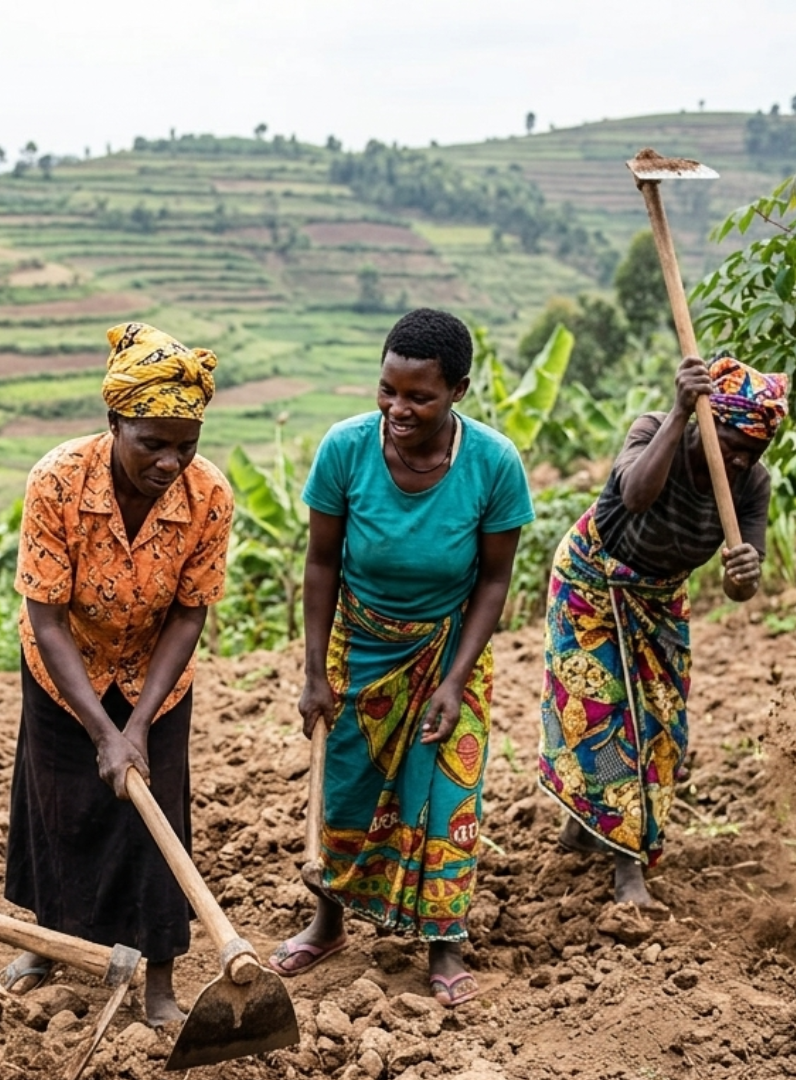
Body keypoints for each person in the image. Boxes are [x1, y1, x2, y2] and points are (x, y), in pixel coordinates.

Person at [270, 308, 533, 1009]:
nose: (398, 408)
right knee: (347, 788)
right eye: (388, 389)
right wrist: (315, 673)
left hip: (450, 648)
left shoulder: (493, 464)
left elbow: (494, 581)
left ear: (459, 392)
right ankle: (328, 923)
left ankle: (444, 943)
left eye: (420, 396)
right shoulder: (346, 449)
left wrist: (455, 680)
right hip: (360, 645)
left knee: (447, 795)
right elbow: (321, 563)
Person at [0, 322, 234, 1026]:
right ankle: (47, 941)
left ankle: (159, 978)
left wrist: (137, 723)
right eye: (152, 443)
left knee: (157, 821)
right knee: (58, 808)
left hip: (156, 670)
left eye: (185, 445)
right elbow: (46, 618)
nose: (170, 461)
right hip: (63, 661)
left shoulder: (209, 496)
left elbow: (189, 615)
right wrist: (102, 730)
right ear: (114, 422)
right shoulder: (57, 480)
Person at [538, 355, 783, 910]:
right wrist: (678, 412)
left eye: (756, 448)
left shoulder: (751, 484)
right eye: (734, 441)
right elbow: (634, 496)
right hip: (592, 583)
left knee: (663, 727)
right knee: (608, 718)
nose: (742, 457)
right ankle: (628, 867)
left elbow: (741, 587)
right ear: (706, 421)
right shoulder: (653, 429)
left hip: (660, 599)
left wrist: (744, 574)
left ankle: (586, 822)